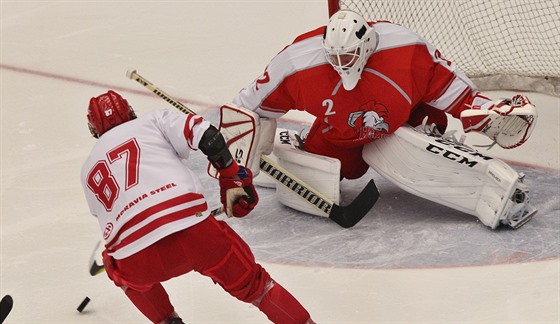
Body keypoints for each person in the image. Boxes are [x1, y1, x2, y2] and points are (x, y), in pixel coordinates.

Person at [227, 9, 537, 228]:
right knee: (327, 178)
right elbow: (246, 110)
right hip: (341, 136)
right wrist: (236, 171)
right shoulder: (296, 63)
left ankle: (445, 159)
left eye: (347, 57)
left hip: (405, 120)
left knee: (425, 127)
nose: (340, 64)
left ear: (364, 45)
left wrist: (487, 114)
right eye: (333, 58)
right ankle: (297, 151)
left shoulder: (405, 48)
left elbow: (456, 92)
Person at [80, 90, 314, 324]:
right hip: (196, 235)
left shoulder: (88, 168)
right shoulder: (153, 120)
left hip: (137, 260)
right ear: (130, 111)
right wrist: (231, 176)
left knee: (118, 270)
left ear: (94, 129)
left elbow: (108, 214)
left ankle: (168, 321)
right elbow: (208, 136)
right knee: (259, 288)